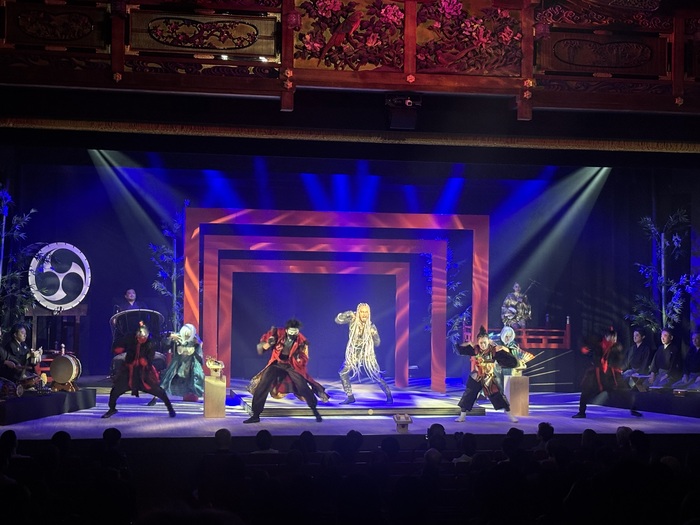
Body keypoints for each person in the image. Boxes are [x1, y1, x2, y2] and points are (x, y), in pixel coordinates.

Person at [244, 319, 327, 424]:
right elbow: (262, 348)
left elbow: (305, 357)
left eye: (295, 332)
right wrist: (269, 343)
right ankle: (256, 415)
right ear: (287, 330)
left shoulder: (301, 341)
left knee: (302, 385)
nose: (293, 334)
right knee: (264, 383)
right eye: (291, 332)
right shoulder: (277, 334)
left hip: (291, 365)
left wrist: (299, 359)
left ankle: (314, 410)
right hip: (277, 364)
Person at [101, 321, 176, 418]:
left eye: (143, 338)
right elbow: (120, 345)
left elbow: (150, 358)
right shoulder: (131, 340)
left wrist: (145, 361)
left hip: (144, 373)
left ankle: (170, 409)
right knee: (116, 390)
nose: (140, 339)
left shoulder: (150, 344)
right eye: (139, 337)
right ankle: (112, 409)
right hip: (129, 371)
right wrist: (119, 348)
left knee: (158, 391)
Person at [572, 326, 641, 418]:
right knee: (585, 392)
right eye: (611, 337)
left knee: (625, 393)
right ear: (606, 337)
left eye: (615, 337)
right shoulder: (599, 345)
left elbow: (618, 360)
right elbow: (588, 348)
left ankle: (633, 409)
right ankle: (581, 412)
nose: (613, 339)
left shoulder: (616, 347)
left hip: (611, 376)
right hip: (598, 375)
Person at [454, 325, 519, 423]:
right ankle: (462, 417)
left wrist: (503, 348)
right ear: (478, 342)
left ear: (488, 341)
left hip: (489, 378)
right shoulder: (475, 349)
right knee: (468, 395)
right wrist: (468, 343)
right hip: (477, 376)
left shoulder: (494, 350)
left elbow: (511, 358)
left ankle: (510, 416)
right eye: (481, 343)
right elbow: (459, 350)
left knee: (498, 396)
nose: (483, 345)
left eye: (485, 342)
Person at [335, 302, 392, 404]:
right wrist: (348, 314)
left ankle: (388, 395)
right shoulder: (353, 320)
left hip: (367, 353)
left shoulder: (371, 326)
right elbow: (338, 320)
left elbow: (377, 343)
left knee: (376, 375)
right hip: (353, 353)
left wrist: (373, 335)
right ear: (358, 313)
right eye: (362, 312)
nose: (364, 314)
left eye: (366, 312)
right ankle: (350, 397)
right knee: (343, 372)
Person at [153, 323, 205, 403]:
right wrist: (170, 338)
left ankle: (196, 395)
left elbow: (200, 345)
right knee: (168, 377)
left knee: (196, 377)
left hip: (191, 361)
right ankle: (158, 395)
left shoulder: (195, 338)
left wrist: (198, 344)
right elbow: (166, 340)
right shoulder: (178, 337)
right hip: (179, 361)